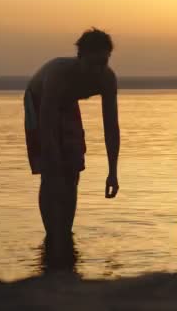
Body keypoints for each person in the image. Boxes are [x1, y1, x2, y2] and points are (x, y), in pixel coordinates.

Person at [23, 28, 120, 248]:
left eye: (103, 63)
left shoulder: (107, 79)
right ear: (80, 58)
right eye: (92, 63)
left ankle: (65, 232)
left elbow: (111, 127)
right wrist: (52, 157)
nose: (97, 70)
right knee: (51, 172)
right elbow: (46, 123)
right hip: (39, 100)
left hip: (66, 104)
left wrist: (112, 172)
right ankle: (51, 235)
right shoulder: (59, 74)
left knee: (73, 170)